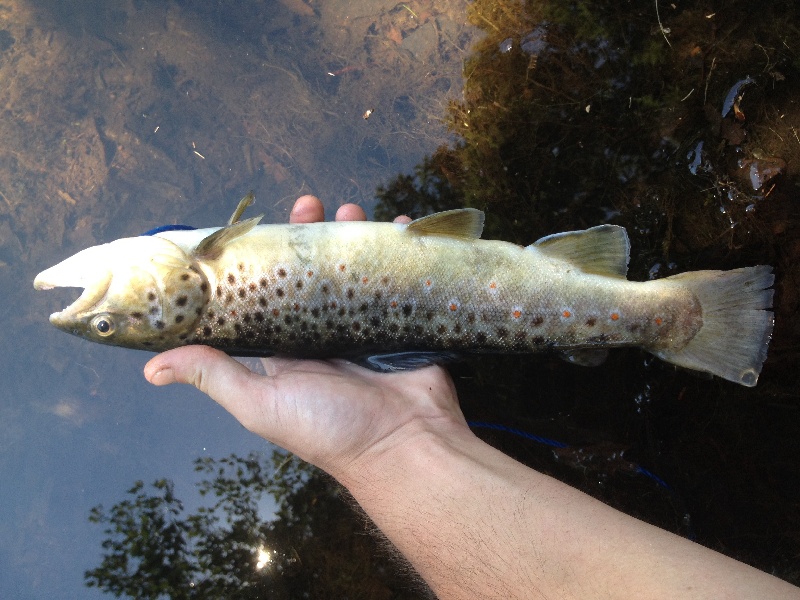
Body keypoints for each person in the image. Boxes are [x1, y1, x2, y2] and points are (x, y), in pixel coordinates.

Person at [144, 195, 799, 600]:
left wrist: (388, 448)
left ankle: (663, 316)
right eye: (112, 323)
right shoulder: (201, 264)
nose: (102, 316)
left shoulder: (204, 277)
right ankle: (681, 316)